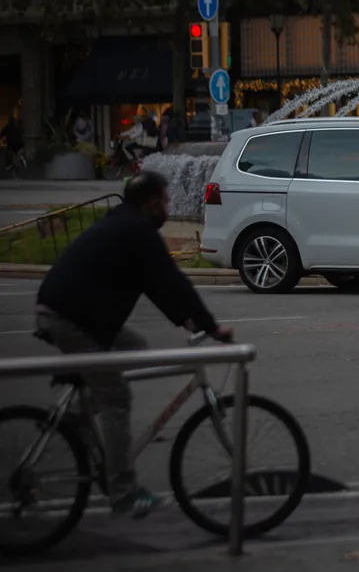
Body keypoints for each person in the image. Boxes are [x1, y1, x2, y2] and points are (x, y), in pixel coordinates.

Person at [34, 171, 234, 518]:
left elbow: (154, 283)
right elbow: (173, 280)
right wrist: (211, 327)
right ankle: (124, 494)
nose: (169, 208)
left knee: (135, 347)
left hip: (75, 313)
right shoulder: (138, 229)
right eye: (167, 201)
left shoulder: (125, 223)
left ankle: (77, 417)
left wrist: (186, 320)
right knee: (118, 399)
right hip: (68, 318)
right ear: (152, 202)